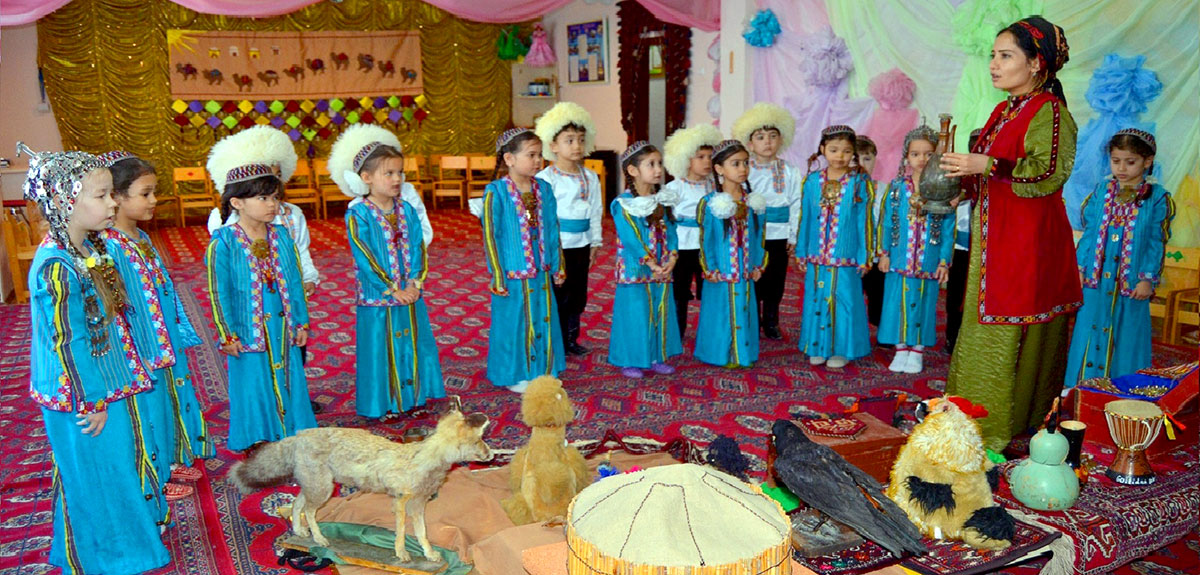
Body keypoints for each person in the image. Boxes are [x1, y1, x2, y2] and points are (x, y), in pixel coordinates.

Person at [19, 143, 171, 574]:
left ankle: (126, 545)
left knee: (117, 469)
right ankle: (109, 556)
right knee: (98, 477)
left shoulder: (90, 248)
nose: (111, 203)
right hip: (82, 397)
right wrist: (92, 400)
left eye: (110, 194)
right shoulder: (56, 265)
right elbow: (67, 342)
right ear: (66, 201)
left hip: (105, 381)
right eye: (100, 195)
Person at [942, 16, 1081, 451]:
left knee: (1009, 328)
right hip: (994, 241)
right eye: (992, 56)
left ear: (1037, 63)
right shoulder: (1003, 110)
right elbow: (991, 174)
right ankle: (969, 420)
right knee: (982, 328)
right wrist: (963, 189)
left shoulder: (1050, 112)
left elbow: (1048, 174)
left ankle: (1002, 429)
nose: (994, 65)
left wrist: (988, 167)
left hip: (1028, 245)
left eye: (1006, 56)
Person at [99, 151, 212, 500]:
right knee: (144, 412)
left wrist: (175, 332)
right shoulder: (109, 247)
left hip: (161, 339)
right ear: (116, 198)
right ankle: (153, 477)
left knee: (166, 401)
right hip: (140, 348)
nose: (154, 200)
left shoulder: (142, 238)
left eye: (154, 192)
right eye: (145, 193)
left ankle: (167, 461)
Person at [205, 136, 316, 451]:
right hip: (247, 328)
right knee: (253, 383)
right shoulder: (223, 242)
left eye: (274, 198)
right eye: (263, 198)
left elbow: (294, 284)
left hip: (282, 325)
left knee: (288, 375)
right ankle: (257, 435)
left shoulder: (282, 236)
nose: (272, 205)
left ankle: (294, 429)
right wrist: (227, 334)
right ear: (237, 202)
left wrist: (302, 322)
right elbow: (218, 292)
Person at [330, 124, 445, 418]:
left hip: (410, 293)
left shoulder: (405, 209)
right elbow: (364, 256)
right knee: (382, 350)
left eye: (400, 172)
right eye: (389, 173)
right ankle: (385, 403)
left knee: (411, 343)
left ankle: (413, 398)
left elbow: (419, 245)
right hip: (379, 297)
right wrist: (392, 288)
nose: (397, 179)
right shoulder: (358, 214)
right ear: (366, 178)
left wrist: (416, 282)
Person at [1065, 129, 1175, 384]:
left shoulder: (1157, 198)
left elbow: (1155, 241)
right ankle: (1081, 387)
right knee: (1088, 330)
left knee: (1126, 337)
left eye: (1131, 161)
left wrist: (1147, 278)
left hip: (1131, 284)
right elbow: (1090, 232)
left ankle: (1123, 390)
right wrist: (1080, 268)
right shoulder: (1101, 191)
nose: (1122, 168)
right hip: (1096, 281)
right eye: (1116, 161)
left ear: (1147, 161)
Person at [479, 128, 566, 393]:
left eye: (540, 154)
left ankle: (542, 370)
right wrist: (497, 273)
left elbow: (552, 228)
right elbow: (491, 236)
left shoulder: (545, 189)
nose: (538, 160)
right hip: (512, 273)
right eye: (531, 155)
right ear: (509, 159)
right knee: (514, 323)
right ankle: (515, 374)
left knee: (543, 318)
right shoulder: (496, 192)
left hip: (540, 271)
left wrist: (558, 264)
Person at [877, 127, 955, 374]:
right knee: (896, 304)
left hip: (927, 261)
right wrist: (884, 253)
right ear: (906, 157)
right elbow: (887, 221)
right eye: (915, 154)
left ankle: (917, 351)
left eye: (929, 154)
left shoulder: (943, 189)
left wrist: (944, 261)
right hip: (899, 259)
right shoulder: (897, 188)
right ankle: (901, 350)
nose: (922, 159)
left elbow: (947, 228)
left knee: (924, 303)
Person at [795, 126, 874, 369]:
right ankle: (818, 346)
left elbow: (865, 222)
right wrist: (801, 251)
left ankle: (843, 349)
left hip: (846, 257)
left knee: (845, 302)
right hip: (817, 256)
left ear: (853, 154)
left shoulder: (859, 182)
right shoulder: (811, 181)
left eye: (846, 151)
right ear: (822, 150)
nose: (839, 156)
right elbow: (806, 217)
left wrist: (864, 255)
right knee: (817, 298)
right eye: (833, 150)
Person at [608, 141, 682, 378]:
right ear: (632, 170)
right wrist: (650, 262)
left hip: (661, 269)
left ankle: (656, 356)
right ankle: (630, 359)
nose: (658, 169)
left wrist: (671, 257)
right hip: (635, 270)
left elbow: (671, 230)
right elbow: (630, 237)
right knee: (635, 314)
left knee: (660, 310)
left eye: (659, 163)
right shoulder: (624, 204)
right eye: (651, 164)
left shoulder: (663, 199)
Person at [535, 102, 602, 356]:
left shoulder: (591, 177)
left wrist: (595, 242)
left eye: (581, 140)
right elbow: (542, 218)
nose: (577, 146)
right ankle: (556, 340)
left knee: (577, 294)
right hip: (557, 246)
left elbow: (595, 210)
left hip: (581, 245)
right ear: (553, 146)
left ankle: (572, 338)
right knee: (557, 294)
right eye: (569, 140)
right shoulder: (545, 179)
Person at [695, 139, 767, 368]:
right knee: (721, 312)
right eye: (735, 164)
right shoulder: (710, 203)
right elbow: (706, 240)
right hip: (722, 270)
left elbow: (758, 236)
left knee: (745, 308)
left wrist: (758, 264)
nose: (743, 169)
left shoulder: (753, 202)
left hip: (745, 269)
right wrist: (710, 267)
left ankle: (742, 353)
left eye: (746, 163)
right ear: (719, 169)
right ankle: (721, 353)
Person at [733, 103, 802, 340]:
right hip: (752, 234)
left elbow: (796, 203)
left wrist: (793, 235)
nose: (767, 142)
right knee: (754, 275)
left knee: (776, 278)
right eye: (760, 137)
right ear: (750, 143)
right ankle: (751, 319)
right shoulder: (744, 171)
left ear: (781, 140)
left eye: (773, 136)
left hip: (779, 233)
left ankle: (771, 320)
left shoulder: (790, 171)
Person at [663, 124, 722, 339]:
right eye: (701, 157)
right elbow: (666, 221)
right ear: (686, 159)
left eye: (710, 156)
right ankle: (677, 329)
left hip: (707, 245)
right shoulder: (674, 188)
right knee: (680, 288)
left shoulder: (715, 186)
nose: (707, 161)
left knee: (709, 285)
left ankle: (709, 329)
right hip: (683, 244)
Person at [945, 129, 982, 355]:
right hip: (961, 247)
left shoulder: (997, 178)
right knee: (956, 294)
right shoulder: (958, 177)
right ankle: (953, 337)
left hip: (988, 249)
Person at [856, 136, 887, 330]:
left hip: (876, 254)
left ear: (875, 159)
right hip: (852, 254)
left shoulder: (884, 190)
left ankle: (881, 327)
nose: (861, 164)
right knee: (852, 294)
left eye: (867, 158)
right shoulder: (843, 189)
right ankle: (853, 331)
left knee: (878, 292)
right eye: (856, 159)